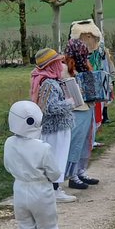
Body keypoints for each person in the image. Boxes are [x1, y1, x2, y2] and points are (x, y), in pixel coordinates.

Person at [4, 101, 62, 229]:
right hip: (40, 189)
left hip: (20, 188)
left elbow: (7, 166)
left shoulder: (9, 143)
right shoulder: (42, 147)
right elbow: (54, 173)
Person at [31, 48, 77, 203]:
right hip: (55, 128)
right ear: (51, 65)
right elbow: (50, 107)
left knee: (56, 158)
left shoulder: (48, 81)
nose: (61, 65)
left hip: (58, 127)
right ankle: (54, 190)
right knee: (56, 158)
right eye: (58, 62)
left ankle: (54, 188)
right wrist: (69, 103)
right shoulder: (49, 83)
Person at [64, 23, 101, 189]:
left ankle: (81, 171)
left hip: (88, 107)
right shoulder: (66, 69)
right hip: (77, 110)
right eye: (83, 55)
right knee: (76, 141)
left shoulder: (85, 65)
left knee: (86, 141)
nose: (85, 57)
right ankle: (72, 175)